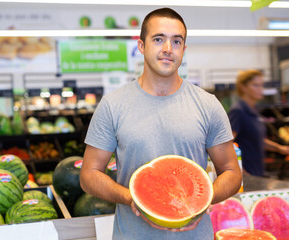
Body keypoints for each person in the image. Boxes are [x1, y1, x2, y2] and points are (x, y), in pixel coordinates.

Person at [80, 7, 242, 240]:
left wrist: (202, 199)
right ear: (141, 46)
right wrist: (132, 198)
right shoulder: (112, 105)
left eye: (176, 42)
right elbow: (88, 175)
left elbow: (231, 172)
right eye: (158, 39)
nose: (168, 49)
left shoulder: (208, 105)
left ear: (183, 50)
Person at [228, 70, 289, 177]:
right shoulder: (238, 111)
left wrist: (280, 148)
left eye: (261, 85)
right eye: (256, 85)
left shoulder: (254, 110)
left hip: (256, 171)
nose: (261, 89)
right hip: (246, 174)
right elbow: (227, 144)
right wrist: (240, 171)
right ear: (243, 87)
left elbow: (257, 139)